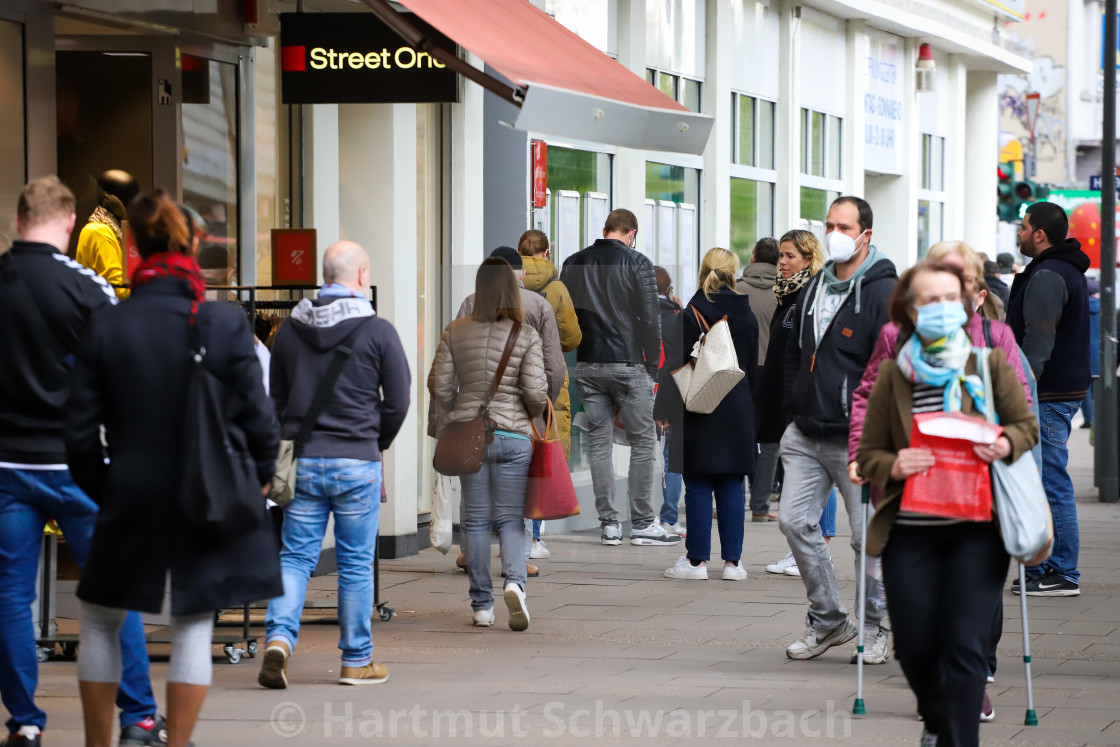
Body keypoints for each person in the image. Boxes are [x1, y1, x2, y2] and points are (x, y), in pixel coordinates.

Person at [65, 191, 281, 747]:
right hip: (204, 489)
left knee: (99, 619)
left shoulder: (108, 325)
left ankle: (98, 743)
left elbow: (79, 432)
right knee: (191, 622)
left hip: (129, 489)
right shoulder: (224, 323)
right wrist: (258, 476)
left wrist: (104, 486)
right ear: (192, 246)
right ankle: (177, 742)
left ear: (134, 246)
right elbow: (259, 417)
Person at [0, 177, 162, 747]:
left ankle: (24, 722)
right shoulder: (86, 286)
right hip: (81, 465)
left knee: (11, 597)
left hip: (7, 469)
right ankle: (139, 716)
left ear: (19, 222)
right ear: (69, 223)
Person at [856, 261, 1038, 747]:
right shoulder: (895, 375)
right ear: (910, 310)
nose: (938, 308)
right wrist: (893, 465)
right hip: (910, 531)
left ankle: (958, 738)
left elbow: (1027, 427)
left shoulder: (989, 364)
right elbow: (869, 453)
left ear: (965, 305)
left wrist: (1003, 443)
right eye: (927, 300)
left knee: (965, 647)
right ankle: (936, 721)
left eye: (947, 298)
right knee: (914, 649)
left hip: (978, 530)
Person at [259, 240, 411, 690]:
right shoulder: (378, 330)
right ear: (361, 275)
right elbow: (399, 401)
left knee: (296, 557)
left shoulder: (288, 329)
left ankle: (279, 640)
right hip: (356, 462)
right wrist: (373, 441)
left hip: (303, 461)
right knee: (355, 563)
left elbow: (277, 401)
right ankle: (356, 661)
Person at [777, 196, 896, 661]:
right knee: (793, 521)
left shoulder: (886, 291)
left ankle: (876, 627)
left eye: (844, 226)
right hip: (806, 431)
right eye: (829, 225)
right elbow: (793, 352)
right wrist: (792, 404)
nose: (835, 233)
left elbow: (893, 366)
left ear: (865, 234)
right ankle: (829, 621)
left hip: (859, 436)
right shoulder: (815, 287)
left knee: (868, 538)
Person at [428, 257, 548, 630]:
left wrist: (458, 409)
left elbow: (439, 385)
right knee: (512, 518)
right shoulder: (525, 334)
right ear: (513, 291)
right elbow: (535, 392)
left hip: (469, 436)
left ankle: (482, 605)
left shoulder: (455, 330)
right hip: (514, 438)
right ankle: (514, 583)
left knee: (476, 521)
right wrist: (530, 410)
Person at [561, 209, 678, 547]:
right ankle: (642, 523)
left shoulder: (573, 262)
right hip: (628, 364)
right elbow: (648, 316)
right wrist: (652, 365)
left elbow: (568, 316)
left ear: (604, 230)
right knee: (643, 442)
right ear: (632, 233)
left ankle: (609, 525)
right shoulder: (637, 262)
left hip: (588, 364)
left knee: (599, 442)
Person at [455, 246, 565, 575]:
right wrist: (543, 404)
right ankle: (519, 559)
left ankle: (470, 554)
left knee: (473, 488)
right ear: (519, 273)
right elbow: (554, 365)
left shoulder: (471, 303)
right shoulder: (539, 305)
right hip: (521, 411)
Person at [655, 248, 758, 581]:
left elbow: (676, 365)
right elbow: (752, 366)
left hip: (698, 404)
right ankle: (733, 564)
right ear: (733, 272)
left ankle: (697, 562)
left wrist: (664, 410)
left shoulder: (692, 312)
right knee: (731, 483)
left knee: (698, 483)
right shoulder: (746, 313)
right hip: (737, 404)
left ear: (703, 271)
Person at [1006, 202, 1090, 597]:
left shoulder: (1048, 273)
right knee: (1045, 478)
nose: (1018, 234)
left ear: (1039, 233)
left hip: (1046, 393)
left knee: (1049, 480)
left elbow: (1037, 343)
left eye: (1023, 228)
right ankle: (1047, 567)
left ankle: (1062, 571)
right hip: (1057, 390)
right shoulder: (1063, 269)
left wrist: (1020, 390)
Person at [753, 231, 837, 576]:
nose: (782, 263)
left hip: (805, 401)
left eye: (789, 256)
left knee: (819, 474)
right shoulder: (788, 296)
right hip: (785, 400)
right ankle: (806, 550)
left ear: (807, 258)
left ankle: (819, 548)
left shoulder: (813, 294)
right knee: (800, 475)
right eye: (781, 257)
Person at [518, 231, 584, 558]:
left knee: (513, 455)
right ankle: (534, 538)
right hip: (545, 379)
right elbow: (571, 337)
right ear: (546, 253)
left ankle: (510, 531)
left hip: (507, 382)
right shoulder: (556, 289)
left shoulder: (502, 289)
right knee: (541, 455)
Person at [653, 266, 685, 536]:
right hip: (670, 391)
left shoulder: (635, 314)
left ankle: (636, 519)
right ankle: (669, 517)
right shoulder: (678, 316)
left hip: (640, 385)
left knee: (639, 454)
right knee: (670, 455)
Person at [75, 170, 139, 300]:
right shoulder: (100, 232)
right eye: (128, 200)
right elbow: (118, 289)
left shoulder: (114, 229)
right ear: (111, 199)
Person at [1081, 279, 1101, 430]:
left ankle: (1090, 418)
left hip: (1083, 351)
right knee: (1100, 386)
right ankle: (1101, 418)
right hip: (1101, 352)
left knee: (1085, 387)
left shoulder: (1079, 307)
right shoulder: (1105, 308)